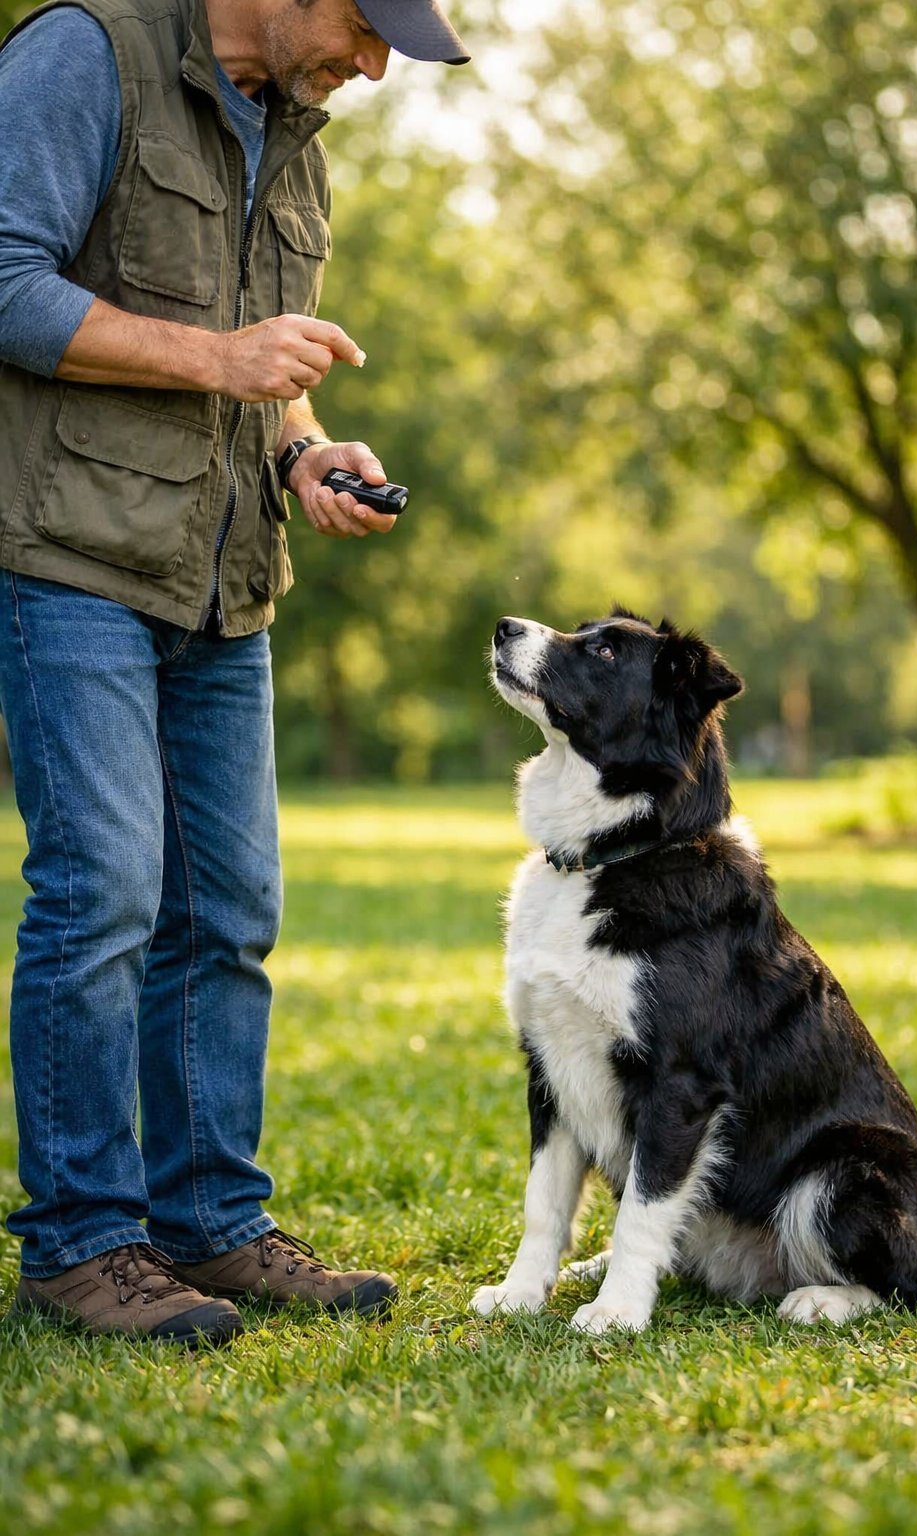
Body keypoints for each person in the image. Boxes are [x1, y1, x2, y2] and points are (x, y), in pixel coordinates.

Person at [0, 0, 469, 1344]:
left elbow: (267, 367)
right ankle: (84, 1243)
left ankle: (208, 1223)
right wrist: (220, 359)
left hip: (226, 578)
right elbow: (6, 278)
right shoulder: (86, 56)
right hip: (72, 556)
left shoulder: (295, 127)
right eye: (366, 25)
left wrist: (303, 447)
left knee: (231, 909)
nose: (375, 63)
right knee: (104, 897)